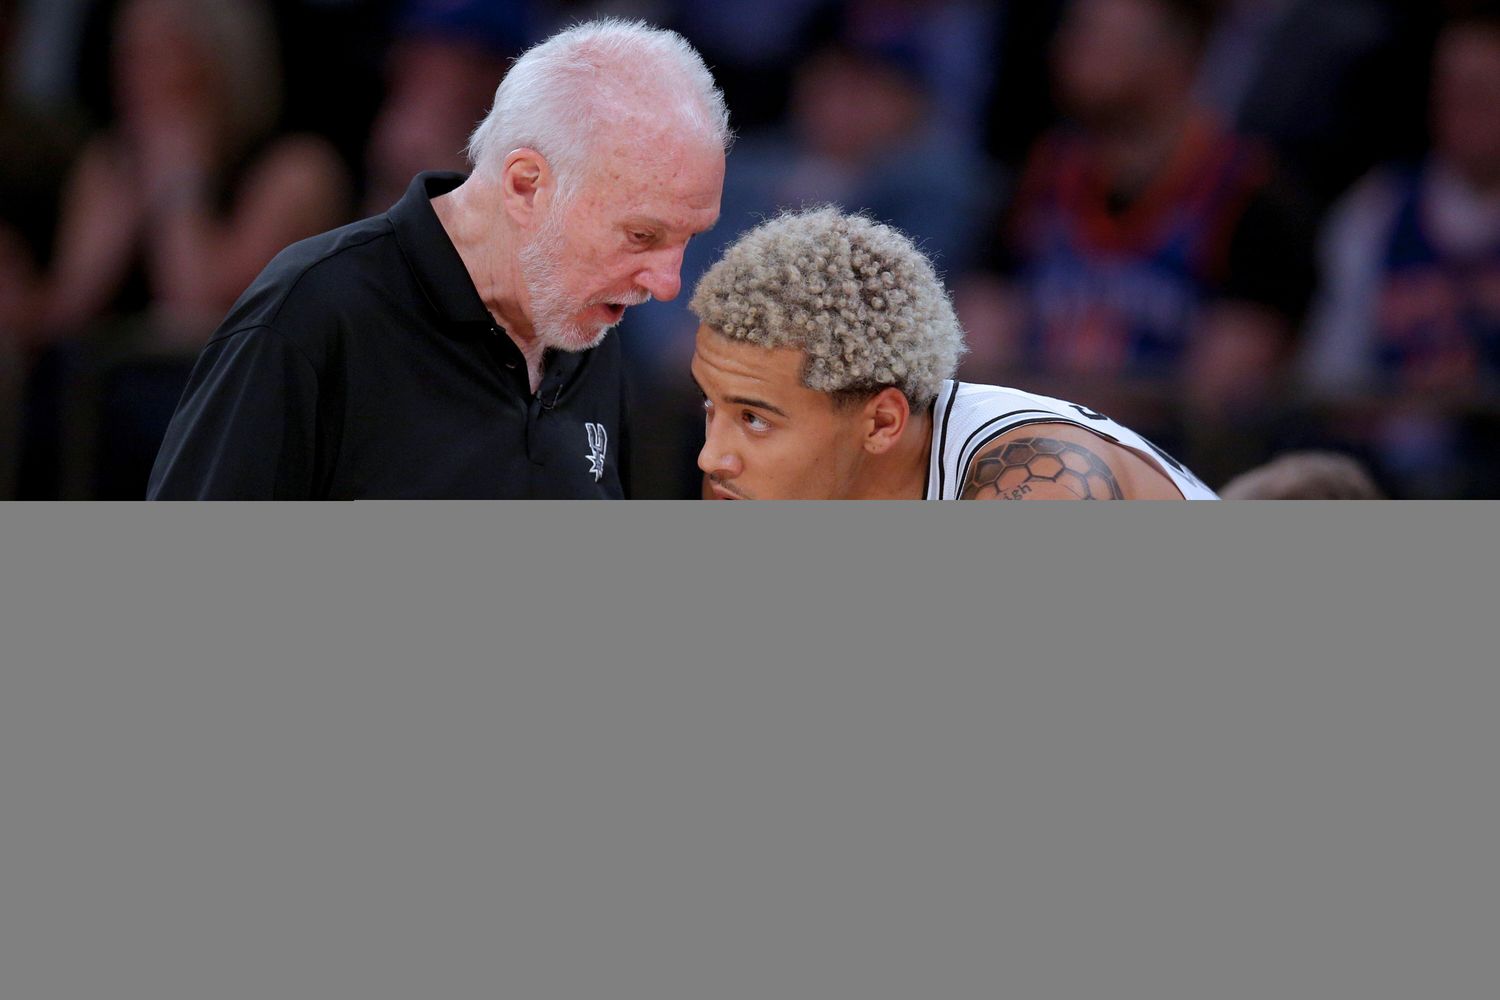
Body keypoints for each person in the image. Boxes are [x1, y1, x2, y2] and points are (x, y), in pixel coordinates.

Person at [146, 18, 730, 499]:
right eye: (641, 236)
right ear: (526, 185)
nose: (668, 284)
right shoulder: (314, 315)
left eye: (689, 239)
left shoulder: (586, 329)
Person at [689, 207, 1217, 499]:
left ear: (881, 423)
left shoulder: (1040, 482)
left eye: (754, 419)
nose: (711, 457)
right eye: (711, 407)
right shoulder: (748, 488)